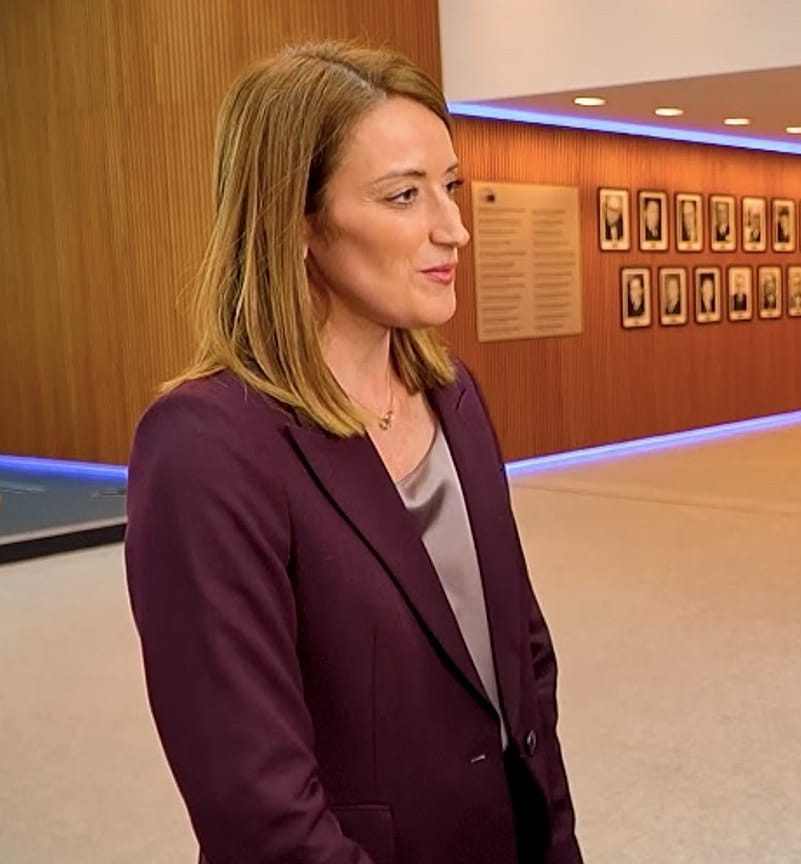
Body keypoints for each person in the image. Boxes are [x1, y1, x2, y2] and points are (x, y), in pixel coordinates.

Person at [123, 42, 584, 864]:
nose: (455, 228)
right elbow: (256, 808)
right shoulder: (207, 448)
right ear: (297, 221)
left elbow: (519, 650)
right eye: (404, 196)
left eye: (449, 185)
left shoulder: (455, 395)